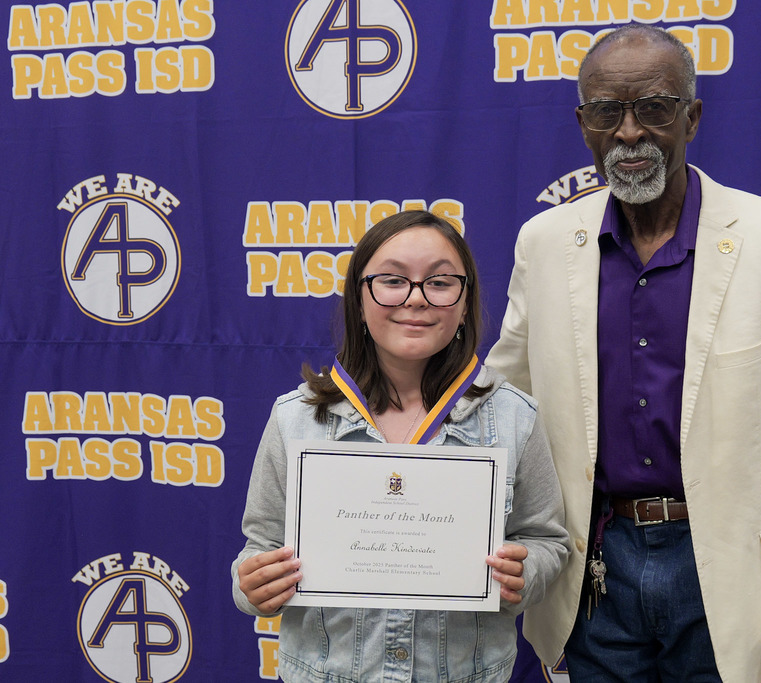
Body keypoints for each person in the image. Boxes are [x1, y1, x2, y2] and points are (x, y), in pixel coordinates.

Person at [486, 24, 761, 683]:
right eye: (609, 111)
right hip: (594, 577)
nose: (630, 132)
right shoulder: (545, 243)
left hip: (733, 578)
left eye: (654, 108)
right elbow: (497, 407)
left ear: (691, 117)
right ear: (584, 126)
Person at [232, 210, 570, 682]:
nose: (416, 299)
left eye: (440, 281)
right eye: (392, 280)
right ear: (359, 298)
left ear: (465, 300)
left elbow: (547, 541)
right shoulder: (297, 418)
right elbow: (260, 548)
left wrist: (525, 571)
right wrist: (252, 585)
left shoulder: (515, 417)